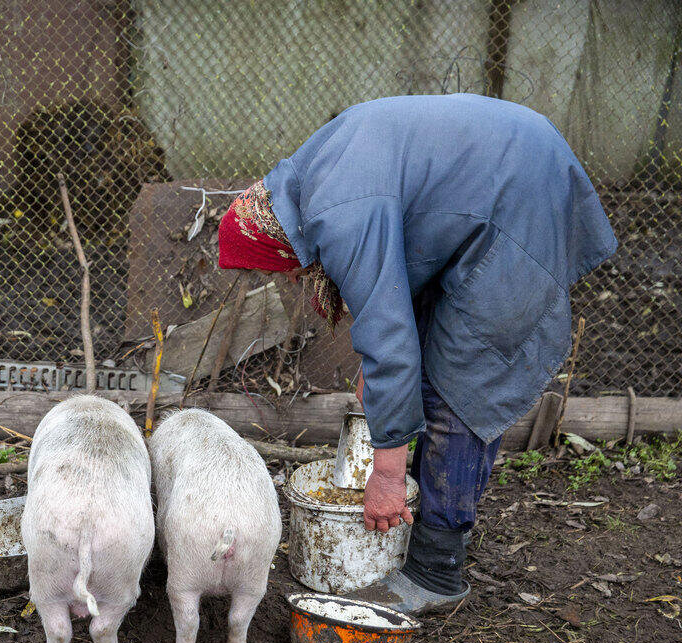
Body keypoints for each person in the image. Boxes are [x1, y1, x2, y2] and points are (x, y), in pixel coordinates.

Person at [217, 93, 617, 614]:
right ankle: (429, 524)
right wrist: (379, 378)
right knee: (429, 367)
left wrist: (385, 475)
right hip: (505, 171)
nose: (291, 278)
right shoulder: (306, 182)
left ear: (276, 243)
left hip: (518, 197)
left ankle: (436, 571)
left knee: (459, 383)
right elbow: (398, 268)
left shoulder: (337, 214)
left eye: (279, 270)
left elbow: (390, 341)